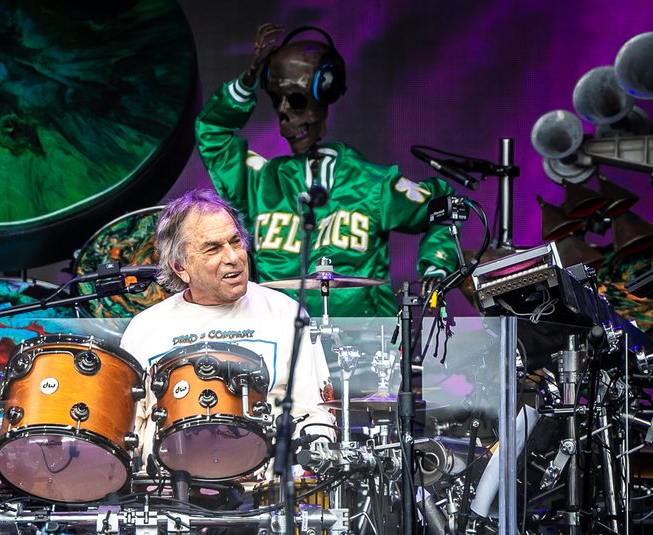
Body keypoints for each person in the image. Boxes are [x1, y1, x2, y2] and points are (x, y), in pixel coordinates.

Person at [195, 23, 457, 318]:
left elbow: (445, 206)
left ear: (326, 88)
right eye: (277, 101)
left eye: (295, 100)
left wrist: (436, 264)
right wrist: (248, 80)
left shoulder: (373, 184)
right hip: (279, 346)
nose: (284, 115)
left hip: (365, 349)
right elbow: (212, 133)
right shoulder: (261, 181)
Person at [120, 188, 335, 468]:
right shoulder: (144, 329)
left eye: (236, 242)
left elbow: (316, 415)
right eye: (213, 248)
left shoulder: (285, 313)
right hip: (170, 496)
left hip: (266, 499)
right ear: (180, 266)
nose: (233, 257)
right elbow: (127, 433)